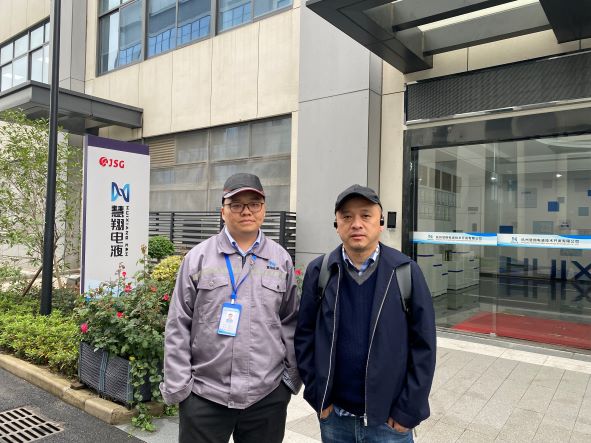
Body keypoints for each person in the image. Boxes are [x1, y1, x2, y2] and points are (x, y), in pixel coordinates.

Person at [161, 172, 301, 443]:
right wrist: (181, 388)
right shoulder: (198, 258)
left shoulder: (280, 259)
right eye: (236, 204)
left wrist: (289, 381)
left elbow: (291, 321)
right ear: (223, 211)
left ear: (264, 209)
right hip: (205, 394)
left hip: (267, 396)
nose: (246, 211)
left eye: (254, 204)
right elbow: (178, 323)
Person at [294, 184, 436, 443]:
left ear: (380, 223)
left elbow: (424, 346)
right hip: (335, 418)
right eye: (347, 216)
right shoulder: (320, 271)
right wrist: (318, 396)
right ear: (336, 225)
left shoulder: (405, 271)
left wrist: (407, 412)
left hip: (389, 422)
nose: (356, 224)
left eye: (366, 215)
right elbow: (304, 337)